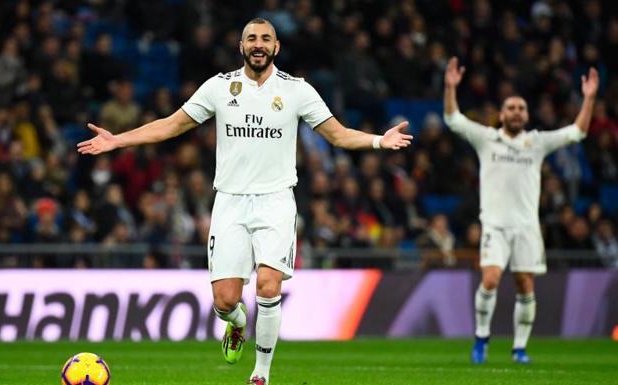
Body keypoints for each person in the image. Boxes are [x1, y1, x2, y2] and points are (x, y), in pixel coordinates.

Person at [78, 18, 412, 385]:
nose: (258, 44)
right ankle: (236, 325)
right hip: (230, 202)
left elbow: (338, 135)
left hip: (276, 201)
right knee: (225, 300)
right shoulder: (219, 88)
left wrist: (380, 141)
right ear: (241, 47)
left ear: (276, 47)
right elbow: (172, 125)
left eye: (265, 39)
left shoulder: (297, 90)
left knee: (268, 286)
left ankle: (261, 375)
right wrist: (118, 141)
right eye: (251, 38)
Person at [443, 57, 598, 364]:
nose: (516, 112)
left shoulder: (537, 143)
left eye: (521, 108)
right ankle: (481, 339)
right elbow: (453, 120)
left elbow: (577, 132)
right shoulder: (487, 140)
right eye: (511, 108)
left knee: (525, 284)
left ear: (527, 115)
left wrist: (589, 98)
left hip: (527, 227)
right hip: (495, 226)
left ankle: (519, 348)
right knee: (490, 279)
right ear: (501, 115)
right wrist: (450, 88)